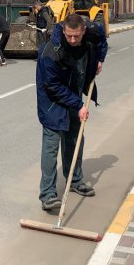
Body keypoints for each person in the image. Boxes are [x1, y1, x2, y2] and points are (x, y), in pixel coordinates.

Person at [36, 13, 108, 211]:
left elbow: (102, 39)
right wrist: (79, 105)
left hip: (75, 93)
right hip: (52, 101)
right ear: (64, 31)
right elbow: (52, 86)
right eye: (69, 36)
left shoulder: (92, 32)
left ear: (83, 30)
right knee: (51, 147)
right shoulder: (51, 51)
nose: (73, 40)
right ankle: (48, 194)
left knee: (75, 139)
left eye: (77, 36)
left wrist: (100, 59)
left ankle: (75, 181)